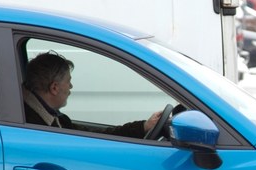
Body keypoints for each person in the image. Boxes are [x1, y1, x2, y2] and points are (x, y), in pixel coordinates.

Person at [22, 51, 163, 137]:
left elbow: (96, 135)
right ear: (54, 88)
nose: (71, 86)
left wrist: (144, 126)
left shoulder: (53, 118)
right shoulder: (35, 127)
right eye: (68, 81)